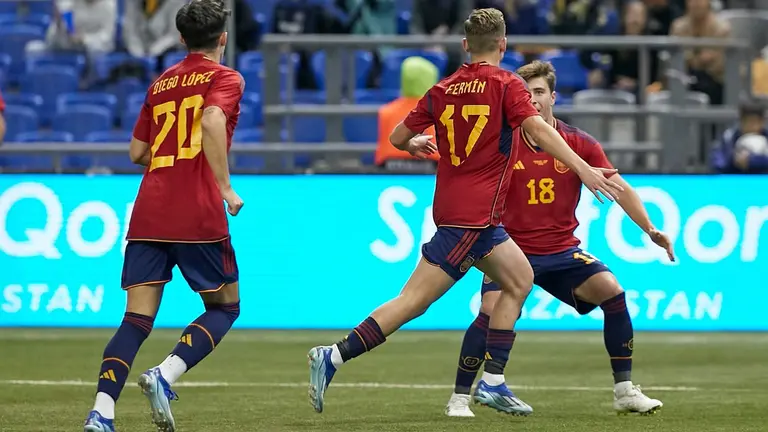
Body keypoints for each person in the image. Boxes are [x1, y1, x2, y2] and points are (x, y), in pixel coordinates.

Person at [307, 8, 623, 416]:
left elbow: (398, 135)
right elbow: (540, 131)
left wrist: (412, 146)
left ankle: (492, 382)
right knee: (412, 302)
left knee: (520, 278)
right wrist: (583, 168)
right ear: (503, 45)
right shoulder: (508, 84)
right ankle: (333, 356)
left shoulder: (442, 90)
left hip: (471, 216)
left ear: (464, 46)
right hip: (472, 220)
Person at [444, 60, 674, 418]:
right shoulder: (501, 141)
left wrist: (650, 229)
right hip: (510, 251)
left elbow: (619, 186)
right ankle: (459, 397)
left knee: (612, 292)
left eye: (539, 92)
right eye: (526, 93)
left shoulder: (577, 143)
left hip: (562, 252)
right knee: (488, 312)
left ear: (553, 96)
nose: (533, 100)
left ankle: (625, 390)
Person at [83, 1, 245, 431]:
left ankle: (102, 411)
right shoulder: (226, 77)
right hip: (196, 211)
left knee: (136, 319)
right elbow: (212, 119)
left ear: (180, 39)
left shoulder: (161, 83)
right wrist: (225, 187)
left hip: (151, 209)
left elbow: (137, 151)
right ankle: (165, 373)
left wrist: (171, 155)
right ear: (222, 39)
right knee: (225, 307)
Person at [711, 100, 768, 174]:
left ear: (762, 122)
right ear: (741, 121)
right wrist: (734, 160)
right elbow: (718, 163)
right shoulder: (729, 136)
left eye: (754, 122)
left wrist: (752, 161)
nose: (751, 126)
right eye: (747, 121)